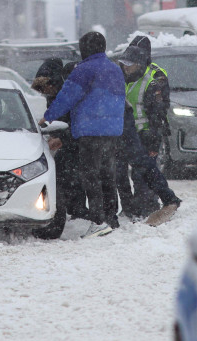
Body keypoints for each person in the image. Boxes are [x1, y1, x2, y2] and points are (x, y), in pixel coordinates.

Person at [40, 31, 125, 238]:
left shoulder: (83, 70)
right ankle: (111, 217)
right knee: (107, 175)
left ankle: (98, 222)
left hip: (90, 131)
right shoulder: (115, 69)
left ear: (84, 49)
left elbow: (67, 96)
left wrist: (48, 117)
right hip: (112, 131)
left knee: (91, 177)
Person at [117, 38, 182, 220]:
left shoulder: (155, 77)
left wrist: (153, 138)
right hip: (124, 133)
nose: (126, 66)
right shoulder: (122, 74)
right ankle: (129, 209)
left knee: (142, 174)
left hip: (145, 133)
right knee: (120, 173)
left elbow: (158, 112)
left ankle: (147, 207)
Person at [31, 59, 89, 239]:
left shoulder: (71, 94)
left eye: (46, 88)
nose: (45, 93)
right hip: (70, 139)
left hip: (81, 139)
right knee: (65, 172)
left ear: (55, 82)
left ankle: (79, 211)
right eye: (41, 90)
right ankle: (74, 210)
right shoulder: (54, 96)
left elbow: (78, 122)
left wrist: (62, 139)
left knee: (74, 173)